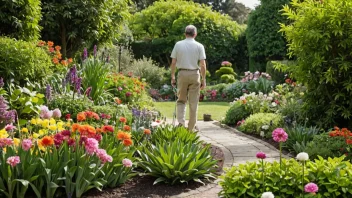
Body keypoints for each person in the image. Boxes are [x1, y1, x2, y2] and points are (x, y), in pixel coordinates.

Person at [170, 25, 206, 131]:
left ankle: (181, 124)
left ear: (185, 33)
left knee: (181, 100)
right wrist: (203, 79)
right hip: (195, 74)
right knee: (193, 102)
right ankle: (191, 127)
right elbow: (203, 64)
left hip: (182, 74)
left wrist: (172, 76)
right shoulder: (199, 46)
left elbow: (173, 62)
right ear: (195, 34)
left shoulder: (178, 45)